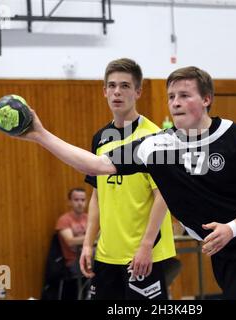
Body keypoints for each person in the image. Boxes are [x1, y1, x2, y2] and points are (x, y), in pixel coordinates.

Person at [15, 66, 236, 300]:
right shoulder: (158, 146)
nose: (175, 102)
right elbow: (94, 165)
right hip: (221, 253)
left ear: (206, 100)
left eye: (185, 95)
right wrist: (41, 135)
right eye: (171, 97)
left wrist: (231, 229)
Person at [81, 58, 176, 300]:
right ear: (104, 92)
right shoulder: (100, 138)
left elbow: (163, 196)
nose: (117, 92)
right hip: (106, 255)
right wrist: (87, 244)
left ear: (138, 91)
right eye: (111, 86)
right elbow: (96, 195)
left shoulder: (155, 137)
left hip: (143, 255)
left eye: (124, 86)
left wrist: (146, 246)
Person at [55, 187, 88, 299]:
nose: (80, 203)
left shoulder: (89, 218)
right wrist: (92, 237)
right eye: (76, 200)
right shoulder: (64, 220)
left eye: (83, 200)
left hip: (90, 258)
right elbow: (70, 242)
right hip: (74, 262)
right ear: (70, 202)